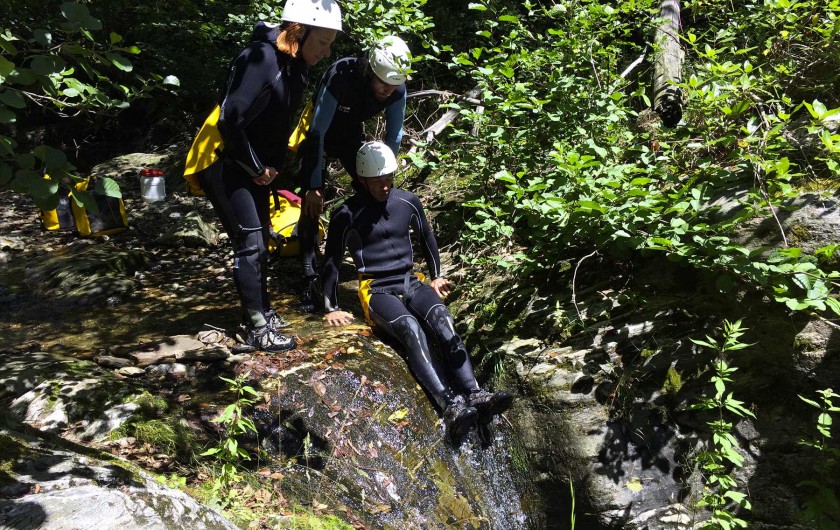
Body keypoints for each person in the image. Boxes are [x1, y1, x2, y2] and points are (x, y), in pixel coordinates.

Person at [316, 141, 513, 440]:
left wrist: (436, 276)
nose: (384, 187)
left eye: (388, 180)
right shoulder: (346, 213)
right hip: (376, 287)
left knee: (442, 319)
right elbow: (330, 260)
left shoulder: (407, 201)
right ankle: (450, 405)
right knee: (410, 328)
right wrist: (331, 307)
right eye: (377, 181)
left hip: (410, 280)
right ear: (361, 180)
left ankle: (475, 395)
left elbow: (427, 237)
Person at [182, 0, 342, 352]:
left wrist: (270, 168)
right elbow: (230, 119)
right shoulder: (260, 58)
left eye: (331, 44)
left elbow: (275, 125)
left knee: (261, 241)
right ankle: (257, 328)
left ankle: (263, 312)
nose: (326, 51)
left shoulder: (295, 65)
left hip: (251, 166)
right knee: (250, 244)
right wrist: (257, 167)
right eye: (322, 42)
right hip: (222, 159)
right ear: (299, 32)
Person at [296, 35, 411, 311]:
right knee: (312, 202)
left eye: (394, 84)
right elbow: (317, 132)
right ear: (370, 71)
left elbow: (394, 135)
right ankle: (309, 269)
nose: (388, 90)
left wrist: (382, 175)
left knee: (370, 192)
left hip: (350, 137)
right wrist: (314, 185)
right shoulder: (342, 75)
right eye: (383, 82)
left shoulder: (396, 89)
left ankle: (373, 259)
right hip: (316, 135)